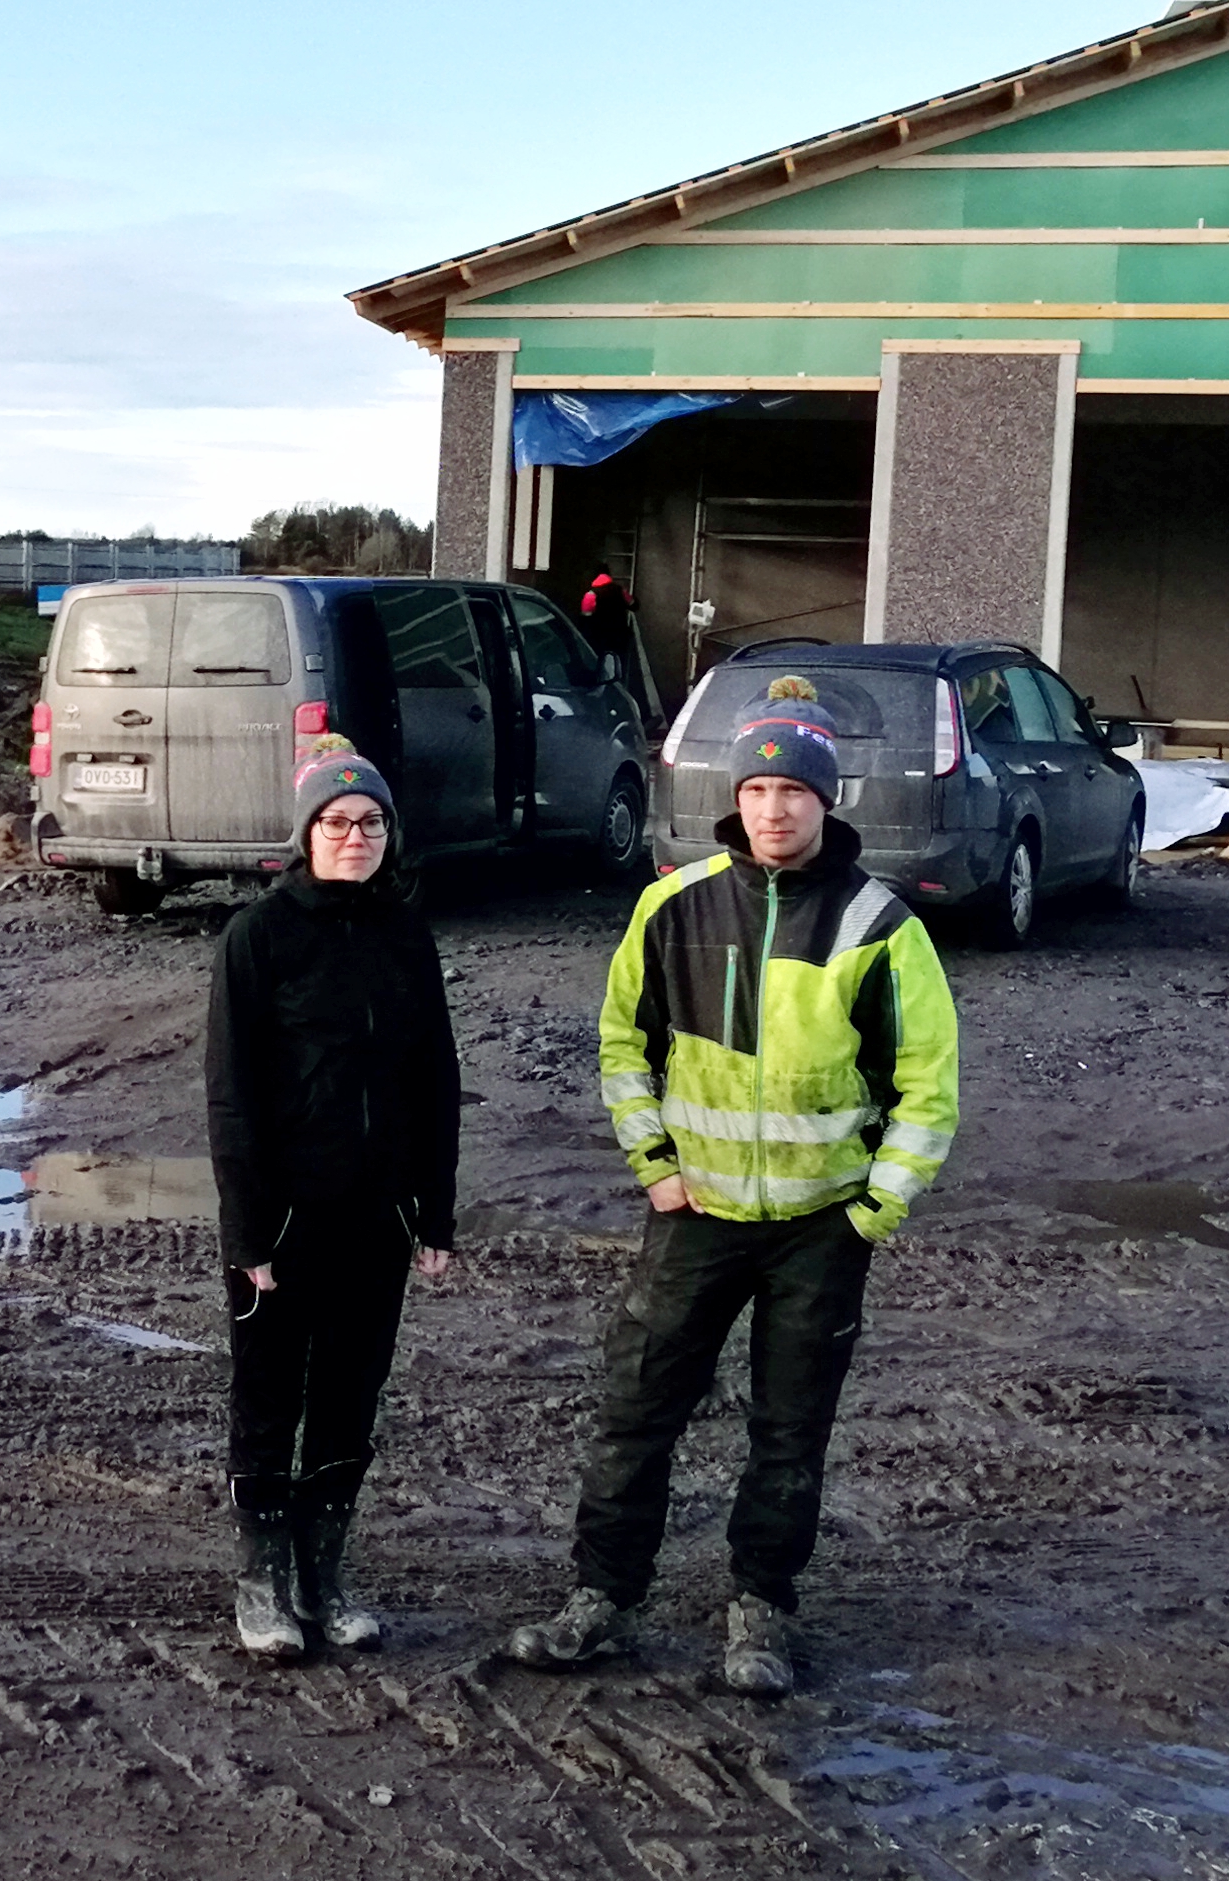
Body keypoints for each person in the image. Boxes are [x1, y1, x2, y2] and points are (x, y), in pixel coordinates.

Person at [508, 675, 960, 1696]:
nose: (774, 807)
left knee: (788, 1428)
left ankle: (759, 1608)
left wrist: (871, 1210)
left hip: (818, 1225)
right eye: (757, 788)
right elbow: (623, 1038)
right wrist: (654, 1166)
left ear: (823, 799)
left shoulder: (880, 926)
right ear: (735, 797)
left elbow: (929, 1086)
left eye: (794, 789)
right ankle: (601, 1598)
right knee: (636, 1410)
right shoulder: (672, 905)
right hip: (695, 1215)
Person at [205, 741, 461, 1664]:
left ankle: (325, 1574)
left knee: (352, 1394)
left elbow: (436, 1079)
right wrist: (247, 1230)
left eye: (372, 822)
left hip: (377, 1214)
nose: (355, 837)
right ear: (306, 833)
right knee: (271, 1394)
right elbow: (230, 1094)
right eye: (337, 822)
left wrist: (435, 1215)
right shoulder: (258, 938)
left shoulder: (404, 933)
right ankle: (262, 1582)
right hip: (286, 1218)